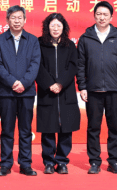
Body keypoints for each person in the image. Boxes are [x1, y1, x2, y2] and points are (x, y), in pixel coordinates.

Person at [77, 1, 117, 175]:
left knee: (114, 127)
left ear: (111, 17)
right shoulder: (85, 38)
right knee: (93, 128)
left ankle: (113, 161)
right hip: (92, 91)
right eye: (99, 14)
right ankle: (94, 161)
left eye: (105, 14)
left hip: (114, 91)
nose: (102, 17)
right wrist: (82, 86)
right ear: (94, 16)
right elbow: (80, 65)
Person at [0, 5, 40, 177]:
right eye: (13, 17)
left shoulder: (33, 40)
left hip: (27, 92)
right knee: (7, 130)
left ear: (25, 20)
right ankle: (5, 164)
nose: (17, 21)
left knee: (25, 130)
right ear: (7, 20)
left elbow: (35, 64)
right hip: (7, 92)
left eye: (20, 17)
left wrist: (24, 83)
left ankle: (25, 164)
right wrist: (13, 82)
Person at [36, 13, 80, 175]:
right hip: (47, 92)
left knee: (66, 129)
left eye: (59, 26)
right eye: (52, 25)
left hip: (66, 91)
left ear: (64, 28)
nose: (55, 29)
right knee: (48, 128)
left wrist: (60, 83)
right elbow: (37, 66)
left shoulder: (70, 45)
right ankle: (48, 162)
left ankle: (62, 161)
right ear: (47, 27)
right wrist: (50, 84)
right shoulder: (39, 43)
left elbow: (73, 66)